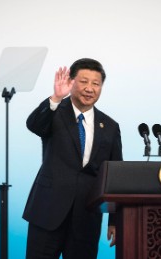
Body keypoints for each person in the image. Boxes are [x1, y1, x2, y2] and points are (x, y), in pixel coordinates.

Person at [23, 58, 123, 259]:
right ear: (71, 82)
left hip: (86, 216)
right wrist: (55, 98)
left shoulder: (110, 126)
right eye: (84, 81)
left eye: (96, 84)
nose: (90, 88)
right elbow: (34, 125)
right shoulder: (55, 112)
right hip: (48, 211)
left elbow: (114, 176)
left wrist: (115, 220)